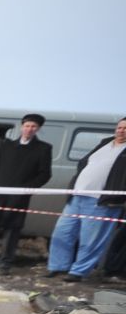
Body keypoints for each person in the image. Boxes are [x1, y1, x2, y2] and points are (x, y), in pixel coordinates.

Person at [0, 113, 53, 272]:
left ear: (38, 129)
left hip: (18, 198)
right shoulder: (6, 146)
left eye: (33, 126)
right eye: (27, 126)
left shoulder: (43, 149)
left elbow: (44, 174)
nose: (29, 129)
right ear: (22, 127)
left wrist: (27, 188)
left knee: (11, 232)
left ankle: (4, 265)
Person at [46, 116, 126, 282]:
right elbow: (84, 163)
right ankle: (58, 266)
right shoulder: (104, 143)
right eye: (119, 127)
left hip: (102, 201)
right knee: (62, 232)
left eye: (125, 128)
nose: (121, 131)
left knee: (91, 239)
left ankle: (78, 272)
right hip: (77, 196)